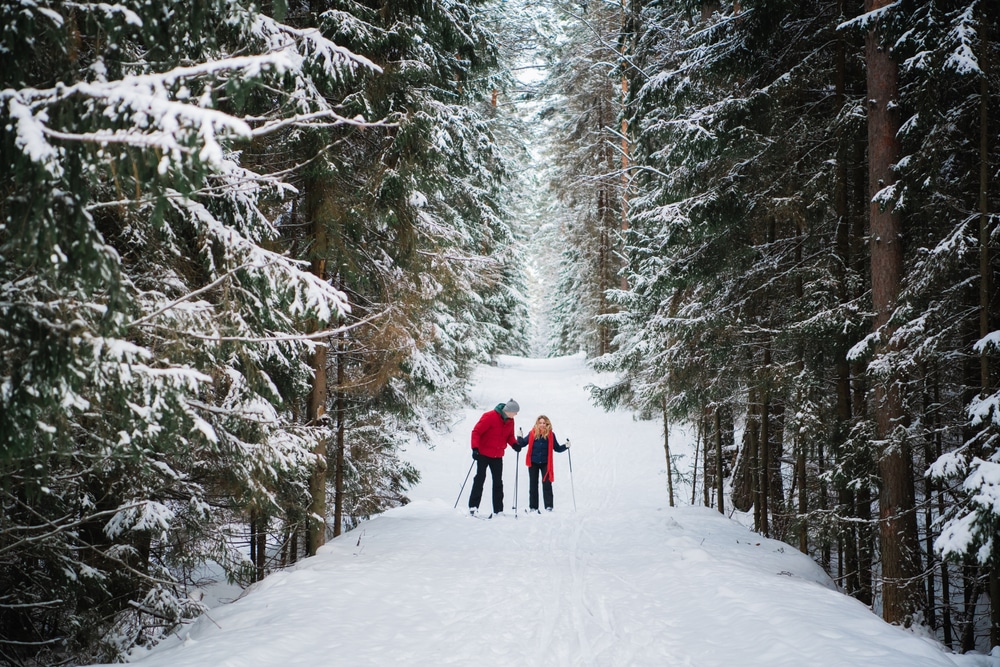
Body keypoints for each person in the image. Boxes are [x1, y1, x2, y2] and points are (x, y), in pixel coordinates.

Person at [468, 398, 520, 517]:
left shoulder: (510, 421)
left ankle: (498, 510)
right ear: (509, 410)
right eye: (515, 412)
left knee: (498, 482)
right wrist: (475, 448)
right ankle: (473, 507)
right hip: (483, 453)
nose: (516, 415)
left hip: (497, 455)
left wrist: (515, 444)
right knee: (480, 479)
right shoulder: (490, 416)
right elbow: (476, 432)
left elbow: (510, 436)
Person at [514, 415, 568, 513]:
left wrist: (566, 446)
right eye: (540, 423)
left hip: (545, 463)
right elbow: (522, 444)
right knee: (533, 484)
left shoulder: (551, 435)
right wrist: (519, 437)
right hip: (533, 462)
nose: (542, 425)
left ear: (547, 424)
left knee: (547, 484)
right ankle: (533, 507)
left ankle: (548, 506)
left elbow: (557, 448)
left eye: (544, 423)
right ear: (537, 424)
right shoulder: (532, 433)